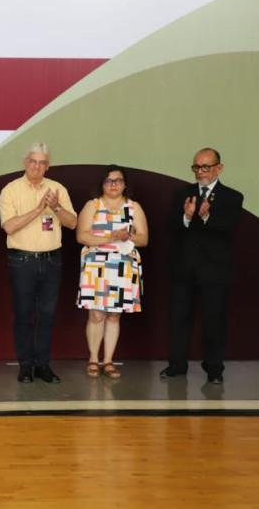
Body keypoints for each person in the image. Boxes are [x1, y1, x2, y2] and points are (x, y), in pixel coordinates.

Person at [160, 148, 243, 384]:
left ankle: (214, 369)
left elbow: (229, 227)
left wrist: (206, 217)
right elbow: (171, 225)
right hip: (184, 269)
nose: (200, 172)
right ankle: (177, 365)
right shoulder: (182, 194)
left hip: (215, 271)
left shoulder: (232, 197)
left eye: (206, 167)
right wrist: (187, 216)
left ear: (219, 168)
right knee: (178, 319)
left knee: (213, 321)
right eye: (196, 167)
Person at [0, 142, 77, 383]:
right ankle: (25, 365)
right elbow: (9, 226)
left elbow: (72, 223)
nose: (37, 166)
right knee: (24, 315)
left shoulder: (57, 189)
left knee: (47, 315)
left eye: (42, 163)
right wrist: (39, 209)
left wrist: (55, 207)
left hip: (52, 260)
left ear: (48, 166)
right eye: (33, 161)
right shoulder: (10, 190)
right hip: (22, 261)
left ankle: (43, 365)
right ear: (25, 163)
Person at [76, 165, 148, 379]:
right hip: (96, 266)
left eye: (118, 181)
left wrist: (128, 237)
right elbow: (82, 236)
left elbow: (143, 239)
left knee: (114, 315)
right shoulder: (93, 205)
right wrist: (111, 236)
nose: (114, 185)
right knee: (96, 314)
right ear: (102, 184)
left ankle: (108, 360)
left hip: (122, 266)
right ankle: (93, 359)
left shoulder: (133, 207)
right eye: (109, 181)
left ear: (125, 184)